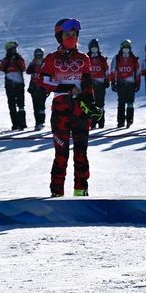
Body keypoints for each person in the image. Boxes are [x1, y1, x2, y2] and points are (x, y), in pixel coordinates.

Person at [39, 19, 102, 197]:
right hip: (61, 114)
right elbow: (42, 81)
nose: (71, 37)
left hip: (80, 113)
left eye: (74, 35)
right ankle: (57, 192)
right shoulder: (52, 58)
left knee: (81, 154)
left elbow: (88, 85)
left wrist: (92, 106)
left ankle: (80, 191)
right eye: (67, 35)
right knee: (61, 154)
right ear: (60, 37)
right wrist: (65, 88)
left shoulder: (84, 59)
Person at [112, 41, 141, 127]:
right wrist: (113, 83)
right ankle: (120, 121)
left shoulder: (133, 58)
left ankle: (129, 119)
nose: (125, 49)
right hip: (121, 83)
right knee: (121, 102)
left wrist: (138, 83)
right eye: (124, 47)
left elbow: (138, 72)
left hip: (131, 83)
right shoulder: (117, 58)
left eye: (127, 47)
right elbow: (113, 71)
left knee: (130, 102)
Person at [2, 41, 29, 130]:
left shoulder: (19, 58)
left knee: (21, 105)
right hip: (9, 85)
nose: (15, 51)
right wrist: (8, 59)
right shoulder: (5, 60)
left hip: (19, 84)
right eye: (13, 49)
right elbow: (1, 68)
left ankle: (22, 123)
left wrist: (17, 59)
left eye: (15, 49)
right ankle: (15, 124)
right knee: (12, 105)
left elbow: (23, 68)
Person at [84, 39, 109, 130]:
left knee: (100, 103)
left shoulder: (101, 59)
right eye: (92, 48)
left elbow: (106, 71)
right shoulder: (87, 58)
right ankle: (92, 122)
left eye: (96, 48)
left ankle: (101, 122)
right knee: (91, 103)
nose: (94, 50)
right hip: (90, 84)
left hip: (100, 84)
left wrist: (107, 81)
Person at [27, 47, 50, 130]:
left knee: (41, 106)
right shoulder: (33, 64)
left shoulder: (45, 63)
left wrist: (48, 88)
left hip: (42, 88)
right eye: (37, 55)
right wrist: (32, 64)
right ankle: (37, 122)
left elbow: (49, 74)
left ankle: (41, 122)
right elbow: (28, 71)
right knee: (35, 106)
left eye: (40, 55)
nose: (38, 56)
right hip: (34, 87)